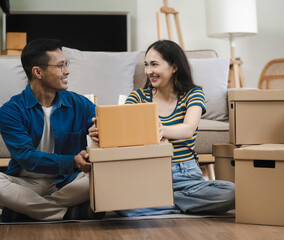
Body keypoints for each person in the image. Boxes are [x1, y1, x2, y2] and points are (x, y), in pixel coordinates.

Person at [89, 40, 235, 216]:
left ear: (174, 67)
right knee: (118, 202)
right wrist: (101, 133)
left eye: (154, 64)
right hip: (147, 175)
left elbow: (188, 129)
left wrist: (158, 131)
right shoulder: (138, 97)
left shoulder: (193, 94)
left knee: (231, 192)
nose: (148, 71)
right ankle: (176, 203)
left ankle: (162, 203)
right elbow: (124, 134)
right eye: (146, 65)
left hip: (186, 175)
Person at [0, 38, 104, 222]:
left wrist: (101, 133)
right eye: (60, 66)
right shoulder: (10, 111)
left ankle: (28, 211)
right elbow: (27, 157)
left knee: (106, 176)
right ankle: (66, 213)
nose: (67, 71)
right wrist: (72, 161)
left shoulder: (80, 104)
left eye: (66, 64)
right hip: (27, 183)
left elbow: (105, 129)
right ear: (38, 72)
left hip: (69, 182)